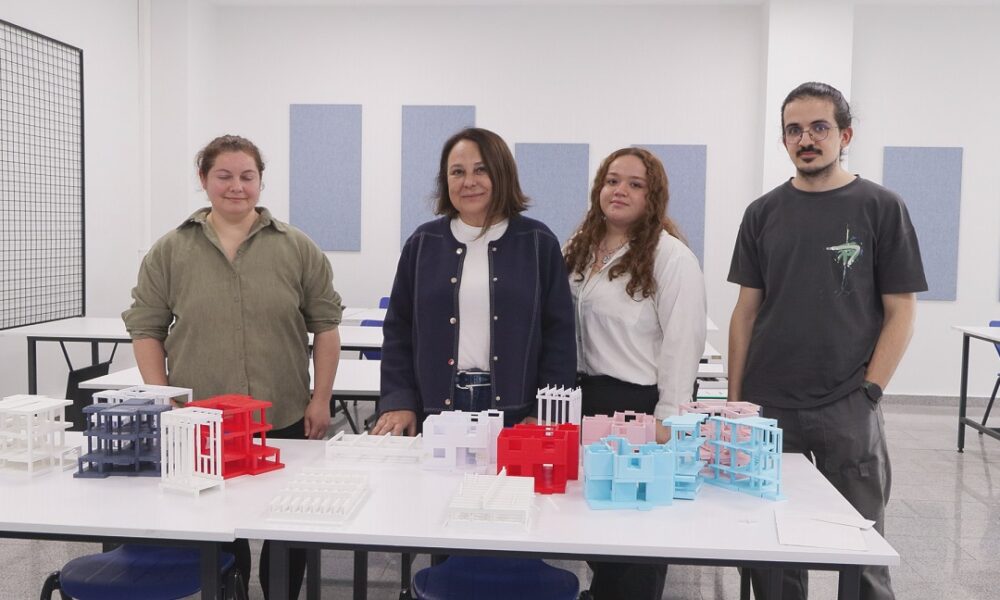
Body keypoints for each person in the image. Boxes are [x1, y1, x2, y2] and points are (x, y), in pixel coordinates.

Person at [728, 82, 926, 600]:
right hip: (769, 405)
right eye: (794, 130)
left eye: (819, 127)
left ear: (845, 135)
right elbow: (746, 313)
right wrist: (736, 402)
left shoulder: (881, 206)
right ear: (784, 140)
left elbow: (901, 310)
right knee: (770, 554)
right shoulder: (762, 213)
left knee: (861, 551)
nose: (806, 139)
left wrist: (871, 391)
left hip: (847, 404)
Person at [122, 134, 343, 599]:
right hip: (203, 420)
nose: (236, 186)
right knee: (218, 530)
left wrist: (321, 399)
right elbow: (146, 329)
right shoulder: (169, 250)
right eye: (224, 176)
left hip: (283, 413)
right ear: (203, 179)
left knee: (287, 529)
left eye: (247, 176)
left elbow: (326, 327)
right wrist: (167, 402)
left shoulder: (298, 247)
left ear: (261, 181)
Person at [564, 147, 707, 599]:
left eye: (634, 184)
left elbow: (684, 342)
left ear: (652, 195)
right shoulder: (579, 247)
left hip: (639, 408)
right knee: (595, 526)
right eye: (612, 180)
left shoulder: (672, 257)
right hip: (586, 402)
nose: (620, 190)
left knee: (636, 538)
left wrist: (669, 418)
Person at [373, 127, 576, 436]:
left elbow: (559, 337)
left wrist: (545, 412)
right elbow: (398, 330)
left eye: (481, 170)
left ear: (502, 174)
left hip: (517, 411)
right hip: (435, 409)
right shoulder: (423, 243)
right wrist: (398, 400)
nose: (468, 182)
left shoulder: (538, 242)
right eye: (457, 172)